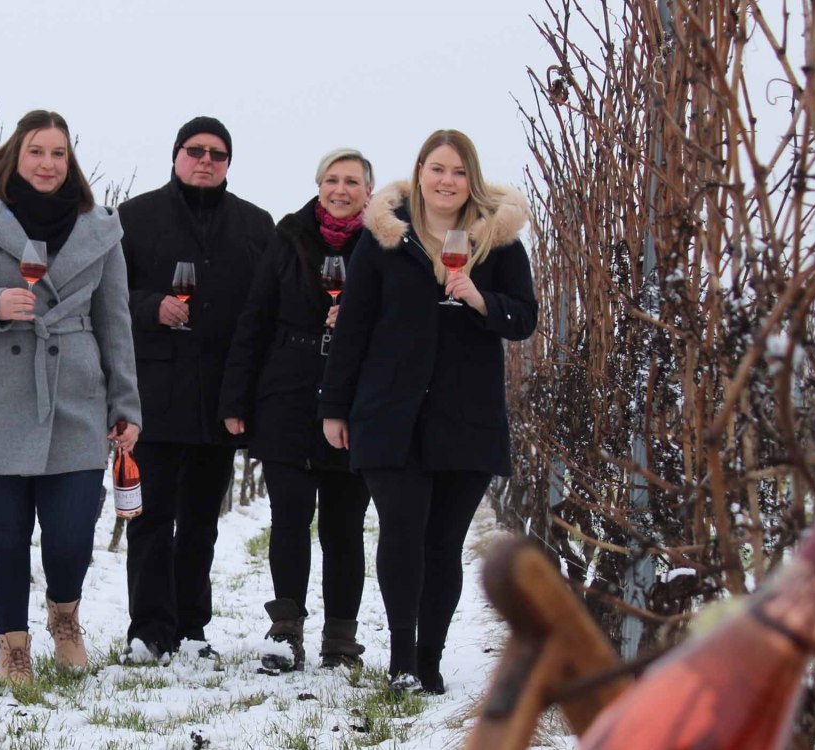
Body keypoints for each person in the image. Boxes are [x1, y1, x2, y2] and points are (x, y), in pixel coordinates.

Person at [0, 109, 141, 685]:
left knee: (71, 532)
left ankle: (64, 617)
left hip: (74, 394)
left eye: (58, 153)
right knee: (6, 534)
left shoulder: (101, 229)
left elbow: (115, 321)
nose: (48, 163)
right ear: (15, 156)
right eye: (36, 151)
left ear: (71, 161)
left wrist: (126, 405)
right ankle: (13, 646)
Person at [318, 129, 537, 693]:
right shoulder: (384, 241)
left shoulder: (499, 244)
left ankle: (430, 658)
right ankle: (402, 661)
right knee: (401, 533)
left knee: (443, 543)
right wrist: (335, 407)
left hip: (467, 417)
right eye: (437, 169)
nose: (447, 181)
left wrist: (481, 300)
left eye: (459, 172)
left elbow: (523, 319)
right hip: (390, 413)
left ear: (473, 180)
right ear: (419, 173)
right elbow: (354, 328)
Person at [119, 116, 275, 661]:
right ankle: (148, 630)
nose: (206, 160)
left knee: (201, 523)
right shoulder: (134, 217)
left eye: (217, 153)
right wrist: (149, 306)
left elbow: (265, 309)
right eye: (195, 150)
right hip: (153, 395)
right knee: (150, 519)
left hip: (219, 399)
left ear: (228, 163)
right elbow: (107, 297)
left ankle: (190, 628)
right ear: (176, 155)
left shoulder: (256, 224)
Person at [219, 148, 375, 673]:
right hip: (285, 393)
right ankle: (285, 631)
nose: (340, 189)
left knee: (344, 523)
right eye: (332, 179)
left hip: (354, 399)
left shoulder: (384, 244)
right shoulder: (288, 237)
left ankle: (341, 638)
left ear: (368, 192)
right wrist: (236, 399)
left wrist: (357, 319)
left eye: (351, 181)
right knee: (288, 516)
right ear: (318, 185)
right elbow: (255, 317)